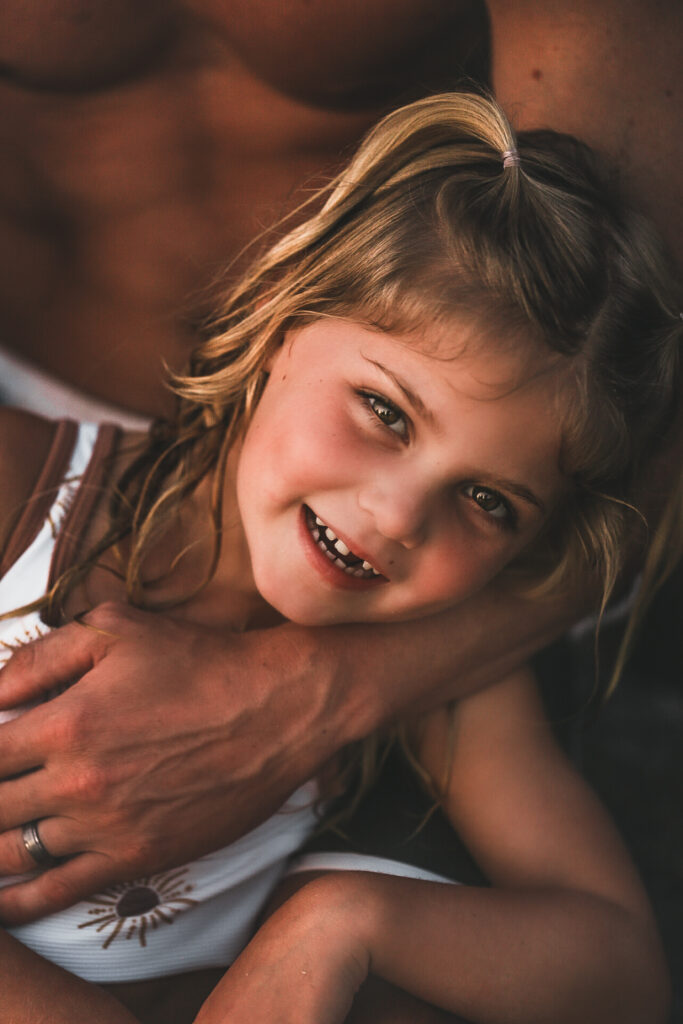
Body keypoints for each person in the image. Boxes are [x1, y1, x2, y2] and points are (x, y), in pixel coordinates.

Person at [0, 91, 678, 1023]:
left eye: (487, 501)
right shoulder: (23, 491)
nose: (398, 517)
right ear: (282, 326)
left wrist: (340, 922)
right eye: (385, 411)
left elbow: (620, 973)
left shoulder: (435, 675)